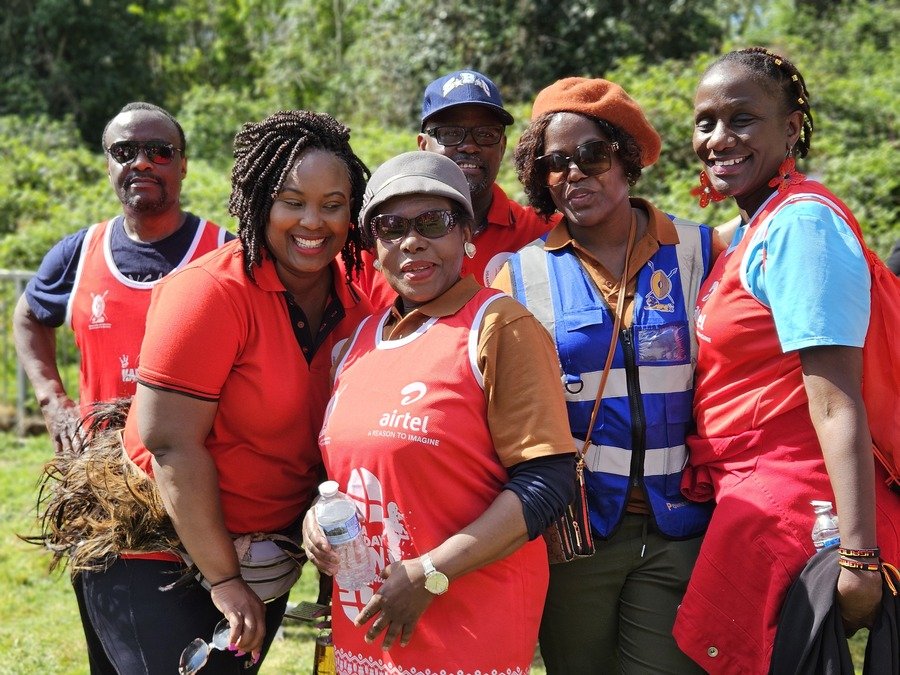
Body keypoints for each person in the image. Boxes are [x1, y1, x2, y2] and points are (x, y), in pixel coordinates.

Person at [39, 110, 373, 673]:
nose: (312, 221)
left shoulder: (359, 301)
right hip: (154, 542)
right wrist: (224, 579)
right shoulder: (210, 291)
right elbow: (171, 444)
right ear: (259, 202)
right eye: (291, 202)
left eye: (332, 204)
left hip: (263, 554)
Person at [303, 151, 576, 673]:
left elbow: (547, 481)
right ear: (373, 249)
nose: (411, 241)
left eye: (433, 222)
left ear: (466, 233)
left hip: (467, 623)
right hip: (367, 625)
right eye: (390, 227)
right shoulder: (358, 342)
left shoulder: (498, 327)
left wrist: (430, 573)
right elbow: (353, 471)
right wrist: (318, 518)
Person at [673, 48, 900, 673]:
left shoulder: (801, 227)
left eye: (742, 118)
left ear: (792, 126)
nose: (719, 138)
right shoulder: (754, 227)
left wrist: (859, 558)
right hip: (759, 500)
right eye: (705, 122)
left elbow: (835, 401)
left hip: (801, 512)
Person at [493, 78, 720, 674]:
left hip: (680, 525)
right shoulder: (517, 277)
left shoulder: (701, 252)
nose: (574, 173)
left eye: (592, 154)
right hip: (577, 534)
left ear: (626, 155)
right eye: (555, 162)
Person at [13, 101, 231, 675]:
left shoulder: (223, 252)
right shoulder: (79, 253)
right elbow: (28, 316)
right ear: (107, 164)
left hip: (196, 487)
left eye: (160, 151)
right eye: (125, 151)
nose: (143, 163)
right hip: (103, 496)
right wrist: (52, 400)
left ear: (183, 165)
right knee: (111, 658)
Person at [353, 69, 558, 308]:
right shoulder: (377, 240)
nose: (469, 146)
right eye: (450, 133)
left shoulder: (546, 233)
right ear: (423, 145)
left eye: (486, 134)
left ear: (502, 146)